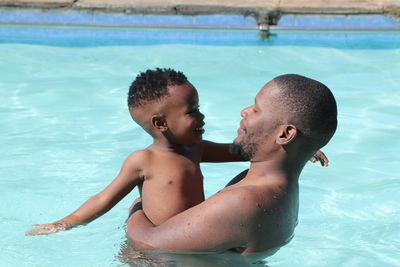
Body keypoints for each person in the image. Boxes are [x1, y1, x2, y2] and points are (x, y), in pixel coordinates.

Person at [26, 69, 327, 236]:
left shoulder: (195, 149)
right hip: (153, 253)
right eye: (192, 111)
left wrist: (301, 148)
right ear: (161, 124)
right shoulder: (143, 161)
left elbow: (240, 151)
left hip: (190, 237)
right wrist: (64, 223)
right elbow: (104, 198)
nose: (202, 116)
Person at [127, 74, 337, 260]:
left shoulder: (245, 201)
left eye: (256, 109)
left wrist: (137, 205)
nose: (244, 111)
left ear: (284, 135)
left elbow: (148, 243)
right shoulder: (277, 188)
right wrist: (303, 149)